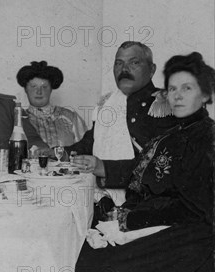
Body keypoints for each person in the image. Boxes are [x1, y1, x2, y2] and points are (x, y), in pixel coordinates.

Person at [74, 52, 215, 272]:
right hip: (156, 224)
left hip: (191, 238)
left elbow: (196, 209)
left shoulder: (207, 140)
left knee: (101, 268)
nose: (177, 96)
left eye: (187, 88)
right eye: (172, 89)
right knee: (84, 255)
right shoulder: (168, 137)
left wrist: (132, 221)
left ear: (205, 95)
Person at [68, 41, 179, 212]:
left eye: (134, 63)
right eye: (119, 63)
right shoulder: (107, 103)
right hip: (102, 197)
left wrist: (104, 168)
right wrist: (56, 153)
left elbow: (162, 166)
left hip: (146, 204)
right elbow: (89, 143)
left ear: (152, 69)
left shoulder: (163, 105)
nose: (124, 69)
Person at [16, 60, 87, 147]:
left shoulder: (70, 118)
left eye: (44, 87)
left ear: (51, 89)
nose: (39, 92)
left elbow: (85, 149)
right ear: (26, 90)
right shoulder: (19, 119)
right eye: (33, 86)